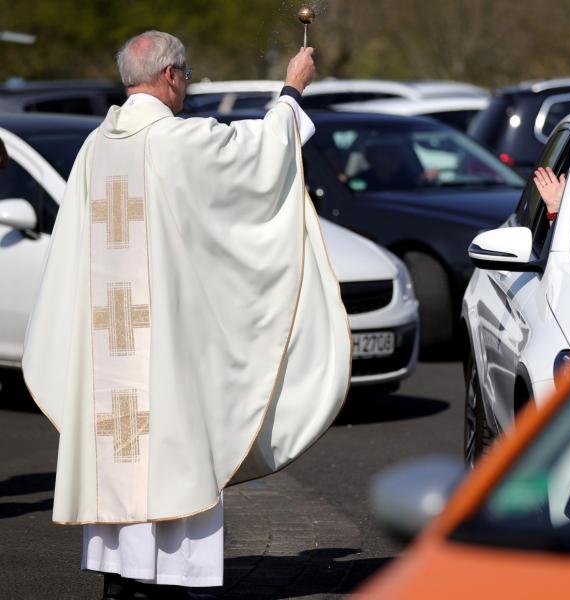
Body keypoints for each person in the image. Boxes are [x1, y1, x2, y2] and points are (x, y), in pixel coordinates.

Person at [21, 31, 352, 599]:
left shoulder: (95, 147)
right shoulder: (175, 143)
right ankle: (165, 580)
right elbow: (258, 155)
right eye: (188, 79)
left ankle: (120, 578)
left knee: (119, 454)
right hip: (161, 355)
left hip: (110, 349)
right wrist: (291, 90)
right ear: (171, 76)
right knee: (170, 452)